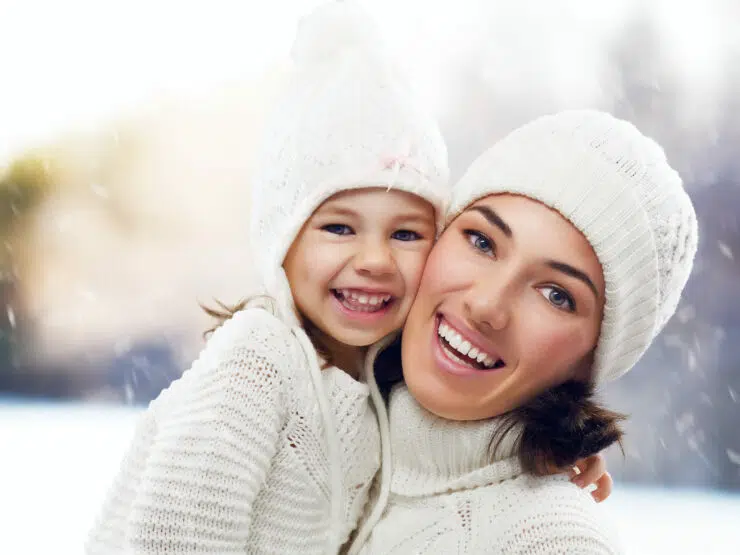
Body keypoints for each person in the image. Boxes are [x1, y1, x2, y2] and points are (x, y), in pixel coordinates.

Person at [85, 2, 450, 553]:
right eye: (338, 227)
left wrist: (557, 450)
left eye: (406, 235)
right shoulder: (258, 363)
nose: (375, 259)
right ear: (282, 241)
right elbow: (174, 535)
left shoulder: (389, 374)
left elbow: (466, 451)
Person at [347, 109, 698, 554]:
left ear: (591, 361)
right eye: (482, 242)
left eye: (556, 295)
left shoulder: (550, 542)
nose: (487, 305)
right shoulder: (315, 403)